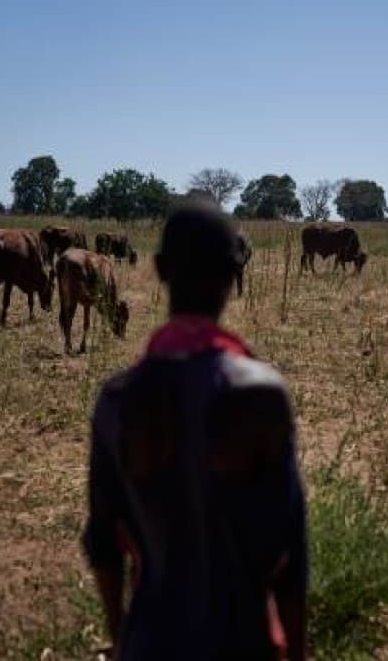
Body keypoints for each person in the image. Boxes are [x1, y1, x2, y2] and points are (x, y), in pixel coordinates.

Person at [82, 202, 307, 660]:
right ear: (233, 275)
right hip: (245, 642)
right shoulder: (262, 395)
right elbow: (291, 558)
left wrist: (120, 635)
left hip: (151, 640)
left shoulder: (117, 399)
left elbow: (103, 544)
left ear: (160, 270)